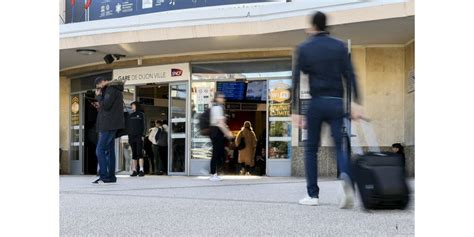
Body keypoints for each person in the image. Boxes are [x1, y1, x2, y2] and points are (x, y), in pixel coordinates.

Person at [293, 11, 364, 208]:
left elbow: (296, 78)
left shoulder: (305, 47)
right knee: (339, 146)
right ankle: (347, 179)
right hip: (336, 102)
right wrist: (356, 102)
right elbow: (350, 74)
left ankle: (313, 195)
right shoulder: (339, 46)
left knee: (311, 150)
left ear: (313, 27)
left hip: (316, 103)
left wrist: (295, 110)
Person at [92, 77, 125, 184]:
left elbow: (106, 106)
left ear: (101, 82)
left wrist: (98, 96)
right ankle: (111, 177)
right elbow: (107, 106)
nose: (99, 89)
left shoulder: (111, 89)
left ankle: (104, 176)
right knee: (110, 151)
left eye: (98, 87)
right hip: (111, 123)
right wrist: (99, 103)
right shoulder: (114, 89)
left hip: (108, 124)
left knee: (100, 150)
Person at [209, 92, 233, 181]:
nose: (223, 99)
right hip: (217, 132)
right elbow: (220, 123)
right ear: (216, 98)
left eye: (223, 97)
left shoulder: (216, 107)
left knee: (217, 153)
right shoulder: (217, 108)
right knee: (216, 153)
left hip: (215, 132)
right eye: (221, 97)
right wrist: (228, 133)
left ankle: (214, 173)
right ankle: (213, 174)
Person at [127, 101, 146, 177]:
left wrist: (143, 135)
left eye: (133, 105)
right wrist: (129, 135)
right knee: (134, 153)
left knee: (139, 152)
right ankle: (134, 170)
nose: (132, 107)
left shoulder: (141, 115)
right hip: (131, 137)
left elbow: (144, 125)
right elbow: (128, 126)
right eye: (131, 106)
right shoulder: (130, 115)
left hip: (139, 136)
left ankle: (141, 170)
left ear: (137, 106)